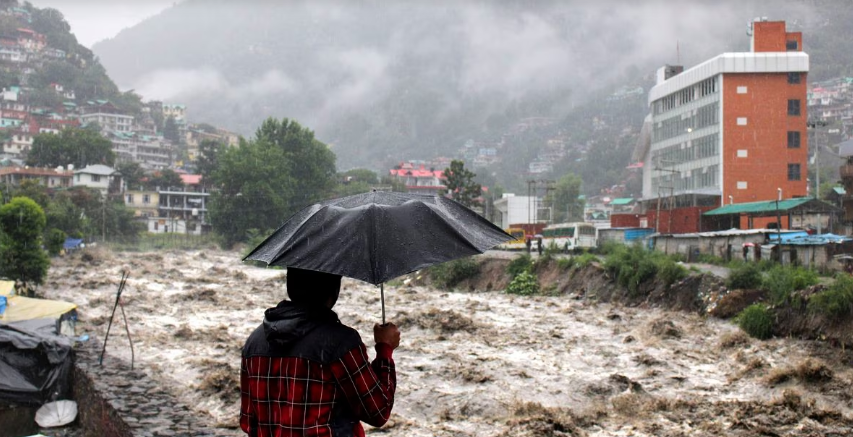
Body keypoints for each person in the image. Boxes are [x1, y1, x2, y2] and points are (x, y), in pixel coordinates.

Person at [240, 267, 400, 437]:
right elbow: (378, 410)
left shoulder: (254, 342)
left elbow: (248, 421)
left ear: (290, 285)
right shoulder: (340, 343)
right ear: (334, 290)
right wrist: (384, 349)